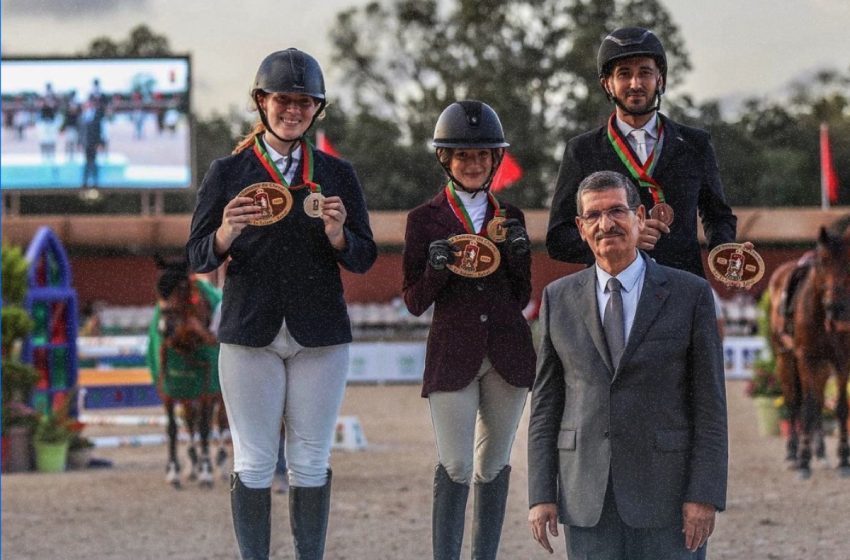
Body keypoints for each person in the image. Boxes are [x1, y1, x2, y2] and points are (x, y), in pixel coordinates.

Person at [186, 48, 377, 560]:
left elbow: (364, 256)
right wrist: (226, 231)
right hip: (250, 331)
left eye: (305, 102)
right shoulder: (227, 171)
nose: (293, 110)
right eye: (283, 100)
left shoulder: (337, 173)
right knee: (253, 458)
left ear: (317, 108)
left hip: (320, 333)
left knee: (311, 459)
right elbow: (196, 252)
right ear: (261, 102)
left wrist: (339, 235)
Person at [528, 170, 728, 559]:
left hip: (668, 499)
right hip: (586, 498)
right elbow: (546, 407)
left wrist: (704, 495)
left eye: (617, 211)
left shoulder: (691, 295)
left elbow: (710, 407)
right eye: (594, 216)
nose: (606, 224)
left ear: (639, 217)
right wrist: (541, 495)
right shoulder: (557, 299)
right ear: (581, 228)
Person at [403, 100, 537, 560]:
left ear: (495, 159)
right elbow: (415, 300)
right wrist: (438, 267)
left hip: (506, 353)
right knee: (457, 464)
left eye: (482, 156)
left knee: (494, 464)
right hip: (452, 353)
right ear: (446, 159)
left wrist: (518, 253)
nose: (474, 163)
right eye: (463, 155)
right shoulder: (424, 220)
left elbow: (520, 296)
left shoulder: (511, 217)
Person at [546, 27, 737, 278]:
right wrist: (622, 242)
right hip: (612, 294)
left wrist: (726, 255)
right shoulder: (582, 151)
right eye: (624, 74)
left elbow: (718, 216)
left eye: (644, 73)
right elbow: (559, 239)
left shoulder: (695, 144)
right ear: (608, 84)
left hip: (681, 291)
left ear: (660, 79)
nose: (635, 84)